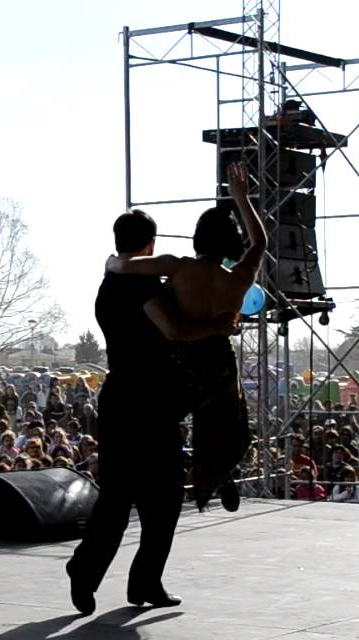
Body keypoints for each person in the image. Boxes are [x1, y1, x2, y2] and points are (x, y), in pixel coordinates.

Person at [66, 195, 241, 616]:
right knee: (161, 499)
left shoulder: (107, 283)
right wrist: (217, 324)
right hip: (150, 403)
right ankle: (142, 580)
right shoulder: (141, 285)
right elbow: (176, 329)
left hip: (119, 399)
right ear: (150, 244)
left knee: (118, 497)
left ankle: (89, 572)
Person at [104, 162, 266, 513]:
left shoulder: (178, 267)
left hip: (182, 359)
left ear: (198, 237)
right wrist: (241, 198)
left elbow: (127, 265)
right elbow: (260, 243)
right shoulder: (239, 279)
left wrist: (110, 264)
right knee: (224, 423)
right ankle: (218, 473)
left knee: (162, 421)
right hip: (220, 362)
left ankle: (158, 480)